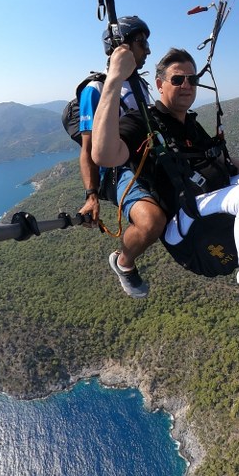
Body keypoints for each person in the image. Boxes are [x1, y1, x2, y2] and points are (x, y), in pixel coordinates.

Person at [90, 45, 239, 329]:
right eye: (177, 79)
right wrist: (114, 79)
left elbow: (223, 163)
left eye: (192, 79)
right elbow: (104, 155)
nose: (187, 85)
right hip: (182, 215)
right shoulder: (142, 122)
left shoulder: (190, 124)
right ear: (159, 85)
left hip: (208, 195)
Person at [78, 15, 167, 299]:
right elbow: (88, 148)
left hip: (145, 160)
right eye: (141, 42)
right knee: (151, 222)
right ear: (121, 46)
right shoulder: (96, 89)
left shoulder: (140, 86)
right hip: (117, 169)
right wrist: (91, 195)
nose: (148, 50)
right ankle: (124, 262)